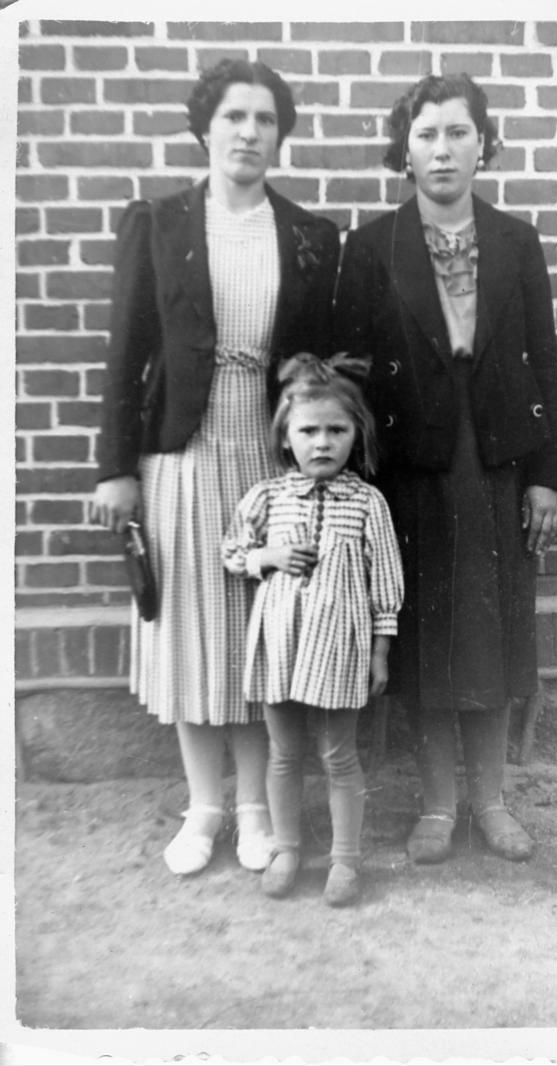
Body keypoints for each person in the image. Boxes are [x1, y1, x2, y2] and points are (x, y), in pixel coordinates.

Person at [90, 59, 340, 877]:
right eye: (233, 116)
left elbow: (325, 360)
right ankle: (203, 808)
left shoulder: (309, 235)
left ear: (280, 134)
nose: (248, 132)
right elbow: (126, 353)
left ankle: (258, 809)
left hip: (269, 458)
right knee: (195, 634)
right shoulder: (157, 224)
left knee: (259, 636)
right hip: (185, 452)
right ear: (205, 127)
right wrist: (116, 468)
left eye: (265, 119)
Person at [334, 72, 557, 865]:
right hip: (412, 467)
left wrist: (545, 476)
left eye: (458, 132)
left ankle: (491, 801)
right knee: (426, 627)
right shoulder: (371, 246)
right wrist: (356, 480)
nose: (442, 148)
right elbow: (351, 374)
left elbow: (545, 364)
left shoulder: (516, 241)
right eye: (427, 133)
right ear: (404, 149)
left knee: (492, 629)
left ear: (484, 145)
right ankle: (436, 806)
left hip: (496, 459)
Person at [222, 353, 404, 906]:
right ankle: (287, 849)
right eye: (308, 431)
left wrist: (380, 652)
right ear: (286, 437)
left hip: (341, 647)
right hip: (280, 642)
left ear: (357, 434)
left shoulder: (368, 502)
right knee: (283, 753)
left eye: (336, 430)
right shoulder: (268, 497)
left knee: (338, 756)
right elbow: (231, 550)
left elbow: (386, 583)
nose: (322, 442)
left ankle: (345, 860)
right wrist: (268, 555)